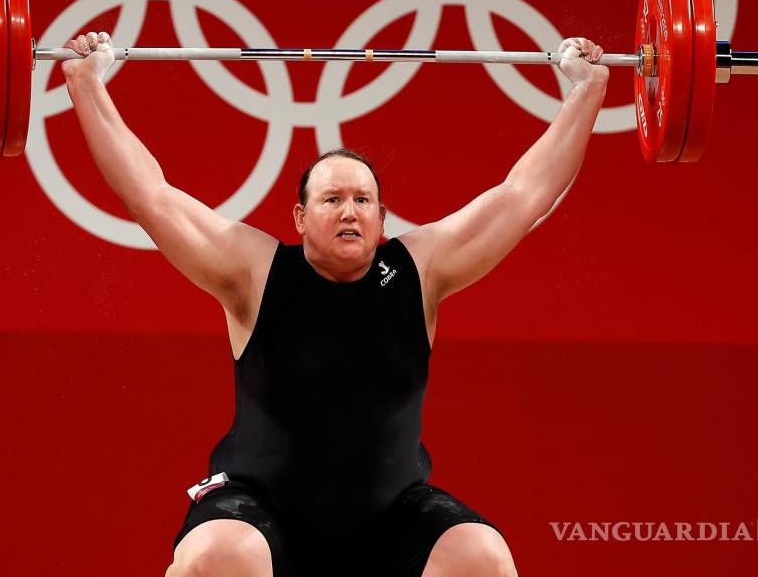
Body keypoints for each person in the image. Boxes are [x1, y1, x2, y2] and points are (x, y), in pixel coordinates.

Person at [62, 31, 608, 576]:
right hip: (258, 512)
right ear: (300, 219)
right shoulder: (254, 272)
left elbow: (523, 196)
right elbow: (151, 197)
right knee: (216, 555)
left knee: (481, 556)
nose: (349, 211)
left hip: (388, 519)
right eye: (332, 199)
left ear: (382, 219)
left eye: (362, 200)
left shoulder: (421, 271)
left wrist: (587, 91)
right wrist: (86, 84)